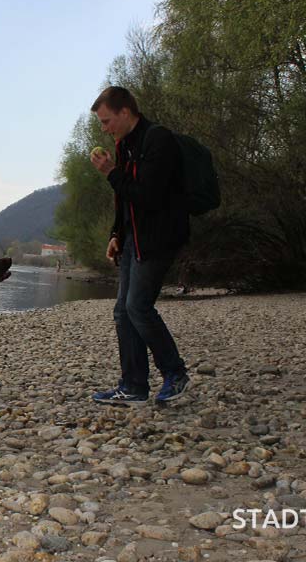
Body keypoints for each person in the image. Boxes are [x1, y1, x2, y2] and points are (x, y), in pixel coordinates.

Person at [87, 86, 191, 404]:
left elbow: (148, 195)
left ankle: (175, 374)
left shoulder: (158, 139)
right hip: (134, 239)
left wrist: (110, 172)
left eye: (106, 121)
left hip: (158, 239)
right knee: (123, 311)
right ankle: (133, 386)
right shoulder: (126, 145)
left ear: (125, 112)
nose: (104, 129)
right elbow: (126, 201)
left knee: (138, 308)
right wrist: (116, 235)